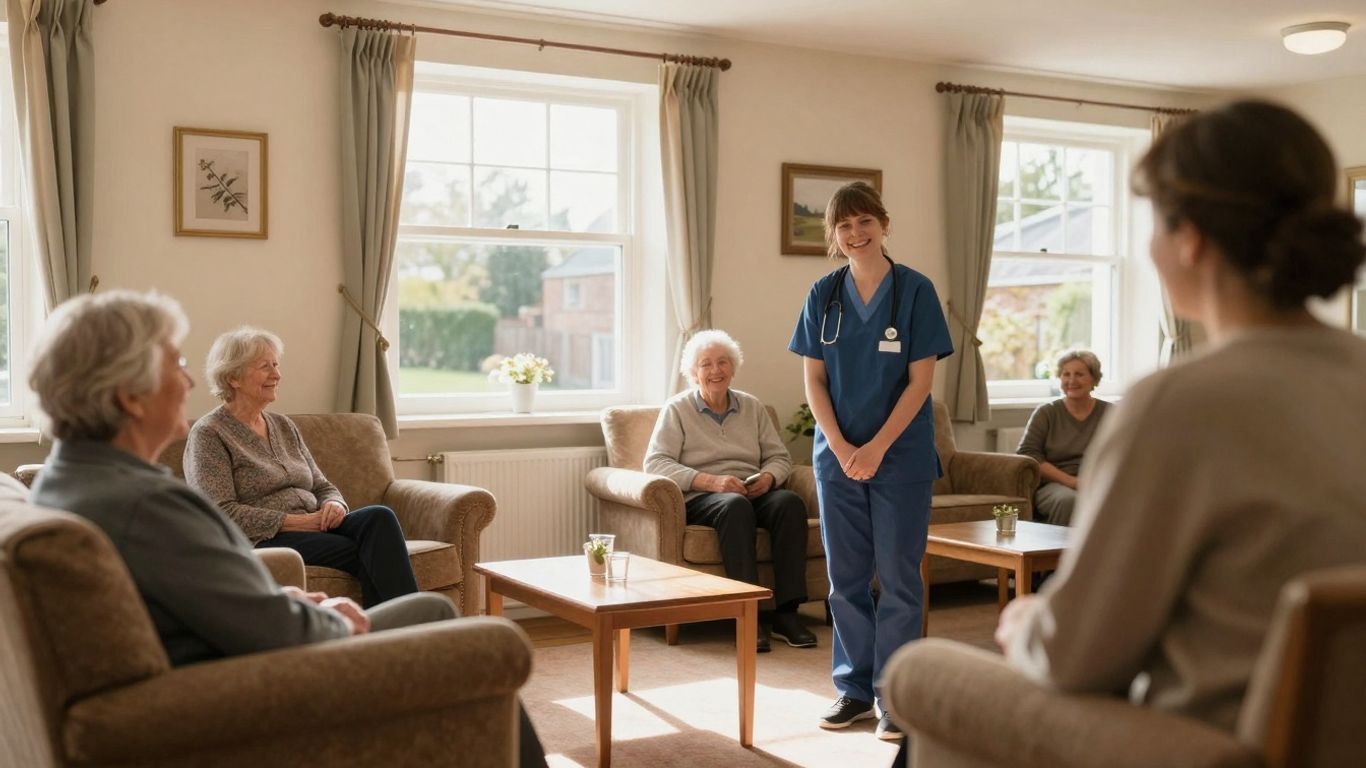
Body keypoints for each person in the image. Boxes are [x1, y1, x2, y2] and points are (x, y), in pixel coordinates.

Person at [26, 291, 546, 767]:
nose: (187, 382)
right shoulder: (149, 504)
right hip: (252, 685)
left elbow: (222, 600)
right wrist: (334, 620)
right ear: (129, 396)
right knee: (474, 635)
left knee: (425, 600)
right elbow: (268, 627)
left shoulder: (70, 483)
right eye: (176, 364)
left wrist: (303, 595)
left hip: (226, 656)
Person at [995, 100, 1366, 733]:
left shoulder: (1179, 402)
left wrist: (1026, 621)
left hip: (1214, 743)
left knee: (922, 677)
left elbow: (1077, 657)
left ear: (1190, 237)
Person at [789, 182, 953, 741]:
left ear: (883, 223)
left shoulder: (915, 291)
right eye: (844, 226)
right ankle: (854, 690)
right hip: (837, 459)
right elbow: (814, 379)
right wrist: (838, 446)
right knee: (845, 580)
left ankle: (895, 697)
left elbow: (920, 382)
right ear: (834, 236)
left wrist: (878, 446)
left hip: (899, 456)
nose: (856, 234)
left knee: (900, 578)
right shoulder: (823, 294)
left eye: (865, 222)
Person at [185, 328, 416, 608]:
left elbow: (322, 485)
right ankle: (405, 630)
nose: (277, 374)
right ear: (233, 377)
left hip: (316, 525)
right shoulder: (210, 434)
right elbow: (221, 512)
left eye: (276, 364)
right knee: (368, 551)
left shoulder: (283, 426)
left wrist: (335, 504)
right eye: (264, 367)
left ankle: (394, 631)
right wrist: (299, 522)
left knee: (379, 517)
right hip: (264, 540)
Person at [644, 329, 817, 654]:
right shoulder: (677, 409)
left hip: (751, 489)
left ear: (733, 368)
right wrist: (709, 481)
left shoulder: (751, 407)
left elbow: (779, 457)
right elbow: (655, 463)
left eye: (722, 362)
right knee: (735, 507)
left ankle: (786, 613)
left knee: (789, 504)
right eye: (706, 364)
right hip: (703, 496)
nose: (715, 370)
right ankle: (745, 613)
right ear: (693, 373)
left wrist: (768, 477)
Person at [1015, 349, 1111, 525]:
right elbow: (1029, 454)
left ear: (1094, 379)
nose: (1072, 381)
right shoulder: (1046, 413)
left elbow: (1126, 452)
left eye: (1079, 374)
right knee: (1069, 501)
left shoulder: (1111, 413)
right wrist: (1073, 482)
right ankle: (1059, 553)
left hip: (1099, 481)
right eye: (1066, 374)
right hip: (1054, 485)